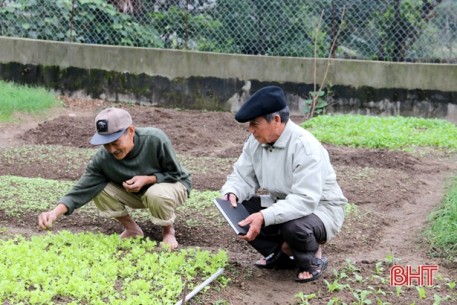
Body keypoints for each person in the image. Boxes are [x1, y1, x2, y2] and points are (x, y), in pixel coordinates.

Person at [220, 86, 347, 282]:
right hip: (281, 202)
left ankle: (312, 259)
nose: (250, 129)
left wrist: (264, 216)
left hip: (320, 209)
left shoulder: (305, 147)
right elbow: (242, 176)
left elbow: (305, 200)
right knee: (236, 208)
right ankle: (279, 254)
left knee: (293, 226)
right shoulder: (256, 141)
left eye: (255, 123)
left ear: (277, 120)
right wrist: (232, 192)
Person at [38, 107, 191, 250]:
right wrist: (54, 213)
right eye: (106, 144)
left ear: (130, 131)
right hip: (138, 194)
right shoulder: (103, 158)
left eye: (115, 142)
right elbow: (82, 188)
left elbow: (175, 174)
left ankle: (168, 231)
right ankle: (132, 230)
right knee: (98, 189)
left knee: (155, 194)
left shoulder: (154, 139)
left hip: (173, 186)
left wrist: (147, 179)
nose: (111, 150)